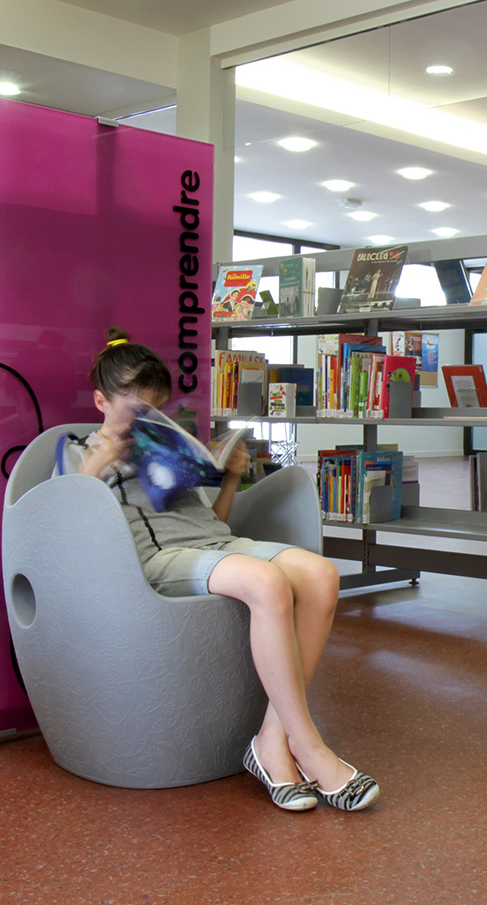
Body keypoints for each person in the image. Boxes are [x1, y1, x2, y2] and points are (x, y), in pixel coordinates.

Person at [66, 327, 378, 812]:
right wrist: (96, 468)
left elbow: (214, 524)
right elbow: (68, 534)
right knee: (268, 582)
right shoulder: (77, 450)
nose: (147, 419)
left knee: (321, 575)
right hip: (159, 561)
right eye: (135, 409)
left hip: (215, 544)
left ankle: (272, 742)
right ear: (101, 401)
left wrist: (229, 475)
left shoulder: (163, 444)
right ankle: (309, 747)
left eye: (156, 409)